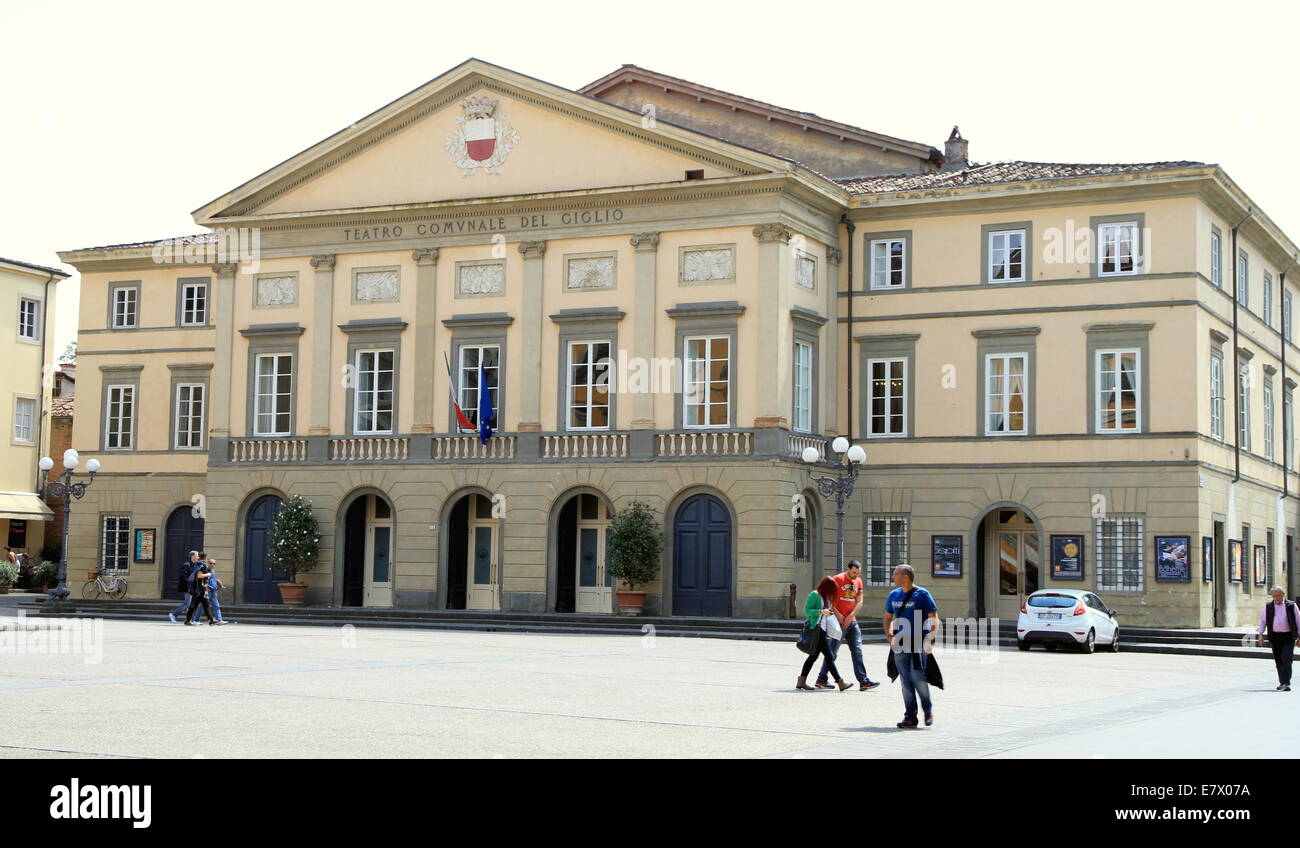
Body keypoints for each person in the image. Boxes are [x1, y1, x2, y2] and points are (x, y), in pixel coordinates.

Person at [883, 564, 940, 728]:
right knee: (905, 681)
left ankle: (927, 710)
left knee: (918, 678)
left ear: (905, 577)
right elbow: (887, 617)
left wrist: (930, 640)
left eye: (895, 574)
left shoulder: (922, 595)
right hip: (900, 643)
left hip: (918, 642)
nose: (893, 577)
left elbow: (933, 618)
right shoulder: (893, 595)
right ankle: (910, 717)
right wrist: (889, 636)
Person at [814, 560, 881, 691]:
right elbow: (829, 598)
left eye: (858, 573)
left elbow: (859, 601)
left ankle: (864, 681)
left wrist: (850, 617)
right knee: (832, 652)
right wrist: (838, 615)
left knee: (857, 650)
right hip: (838, 621)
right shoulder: (837, 579)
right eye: (853, 572)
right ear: (848, 569)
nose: (855, 575)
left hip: (852, 621)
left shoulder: (859, 582)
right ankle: (822, 679)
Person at [796, 576, 852, 691]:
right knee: (829, 655)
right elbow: (806, 611)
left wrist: (828, 612)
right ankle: (840, 682)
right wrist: (821, 611)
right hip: (816, 629)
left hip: (822, 629)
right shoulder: (814, 595)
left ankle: (801, 681)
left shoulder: (824, 596)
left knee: (813, 656)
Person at [1257, 586, 1299, 691]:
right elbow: (1263, 621)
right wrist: (1261, 635)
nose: (1276, 599)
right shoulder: (1268, 606)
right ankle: (1282, 682)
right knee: (1279, 660)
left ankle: (1286, 683)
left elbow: (1299, 621)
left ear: (1283, 595)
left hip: (1288, 636)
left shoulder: (1291, 606)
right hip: (1275, 636)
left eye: (1278, 596)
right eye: (1274, 596)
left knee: (1286, 658)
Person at [183, 553, 225, 626]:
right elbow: (199, 576)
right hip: (200, 589)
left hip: (199, 589)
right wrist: (208, 575)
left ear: (199, 557)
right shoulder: (202, 565)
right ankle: (189, 620)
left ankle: (210, 620)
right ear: (205, 558)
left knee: (205, 605)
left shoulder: (197, 564)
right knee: (196, 605)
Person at [169, 551, 201, 623]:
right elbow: (183, 576)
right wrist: (189, 583)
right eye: (197, 556)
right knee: (187, 603)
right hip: (188, 587)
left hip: (192, 587)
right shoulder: (187, 565)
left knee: (191, 603)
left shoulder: (194, 565)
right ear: (192, 557)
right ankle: (174, 614)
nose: (198, 557)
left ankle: (191, 619)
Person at [204, 557, 228, 623]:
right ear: (208, 563)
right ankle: (195, 619)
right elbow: (203, 581)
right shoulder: (205, 571)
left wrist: (221, 585)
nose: (212, 564)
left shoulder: (213, 571)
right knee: (203, 607)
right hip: (208, 591)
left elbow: (215, 579)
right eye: (211, 563)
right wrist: (206, 589)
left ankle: (219, 620)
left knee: (216, 606)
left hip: (213, 591)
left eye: (214, 563)